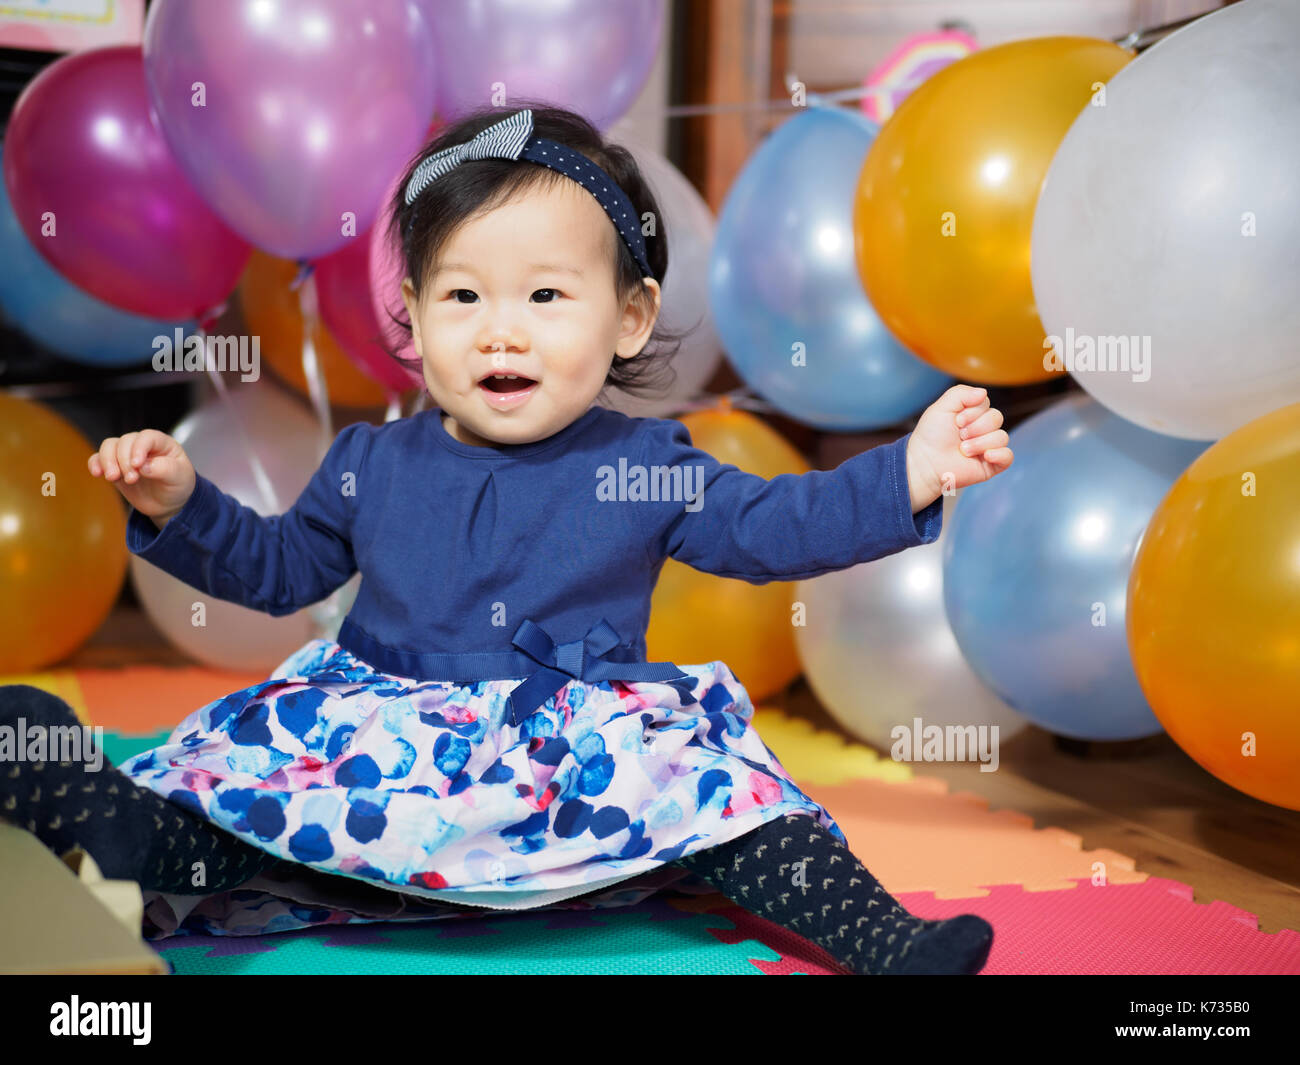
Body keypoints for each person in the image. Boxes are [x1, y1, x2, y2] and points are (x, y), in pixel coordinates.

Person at [1, 104, 1013, 974]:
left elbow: (771, 527)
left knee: (743, 807)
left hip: (578, 764)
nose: (500, 330)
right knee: (255, 814)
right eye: (461, 296)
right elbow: (277, 571)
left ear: (629, 317)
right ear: (411, 317)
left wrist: (906, 473)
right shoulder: (372, 462)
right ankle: (133, 833)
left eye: (544, 295)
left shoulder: (648, 463)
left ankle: (883, 940)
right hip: (385, 760)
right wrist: (182, 506)